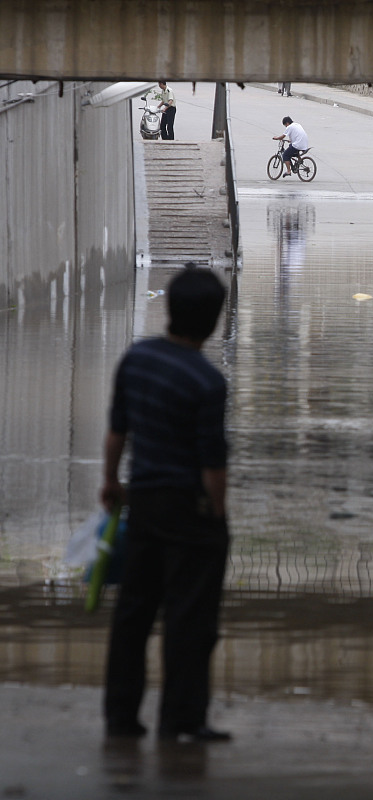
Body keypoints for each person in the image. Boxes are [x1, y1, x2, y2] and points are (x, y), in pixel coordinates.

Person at [101, 266, 232, 744]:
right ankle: (181, 720)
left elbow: (118, 430)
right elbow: (211, 465)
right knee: (189, 619)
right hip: (190, 512)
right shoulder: (207, 383)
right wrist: (216, 516)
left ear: (171, 308)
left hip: (144, 504)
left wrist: (111, 482)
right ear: (214, 320)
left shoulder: (136, 359)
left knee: (133, 613)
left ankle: (120, 715)